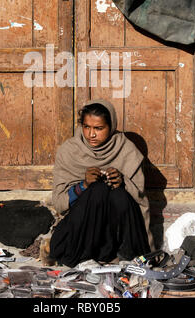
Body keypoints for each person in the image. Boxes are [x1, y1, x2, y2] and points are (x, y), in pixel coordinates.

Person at [49, 99, 153, 268]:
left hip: (118, 231)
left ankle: (123, 255)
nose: (91, 134)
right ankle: (85, 256)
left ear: (111, 127)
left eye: (98, 128)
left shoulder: (126, 149)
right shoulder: (69, 151)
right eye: (86, 127)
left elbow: (140, 200)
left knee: (118, 194)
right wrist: (83, 186)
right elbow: (60, 204)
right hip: (82, 234)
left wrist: (123, 181)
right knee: (98, 190)